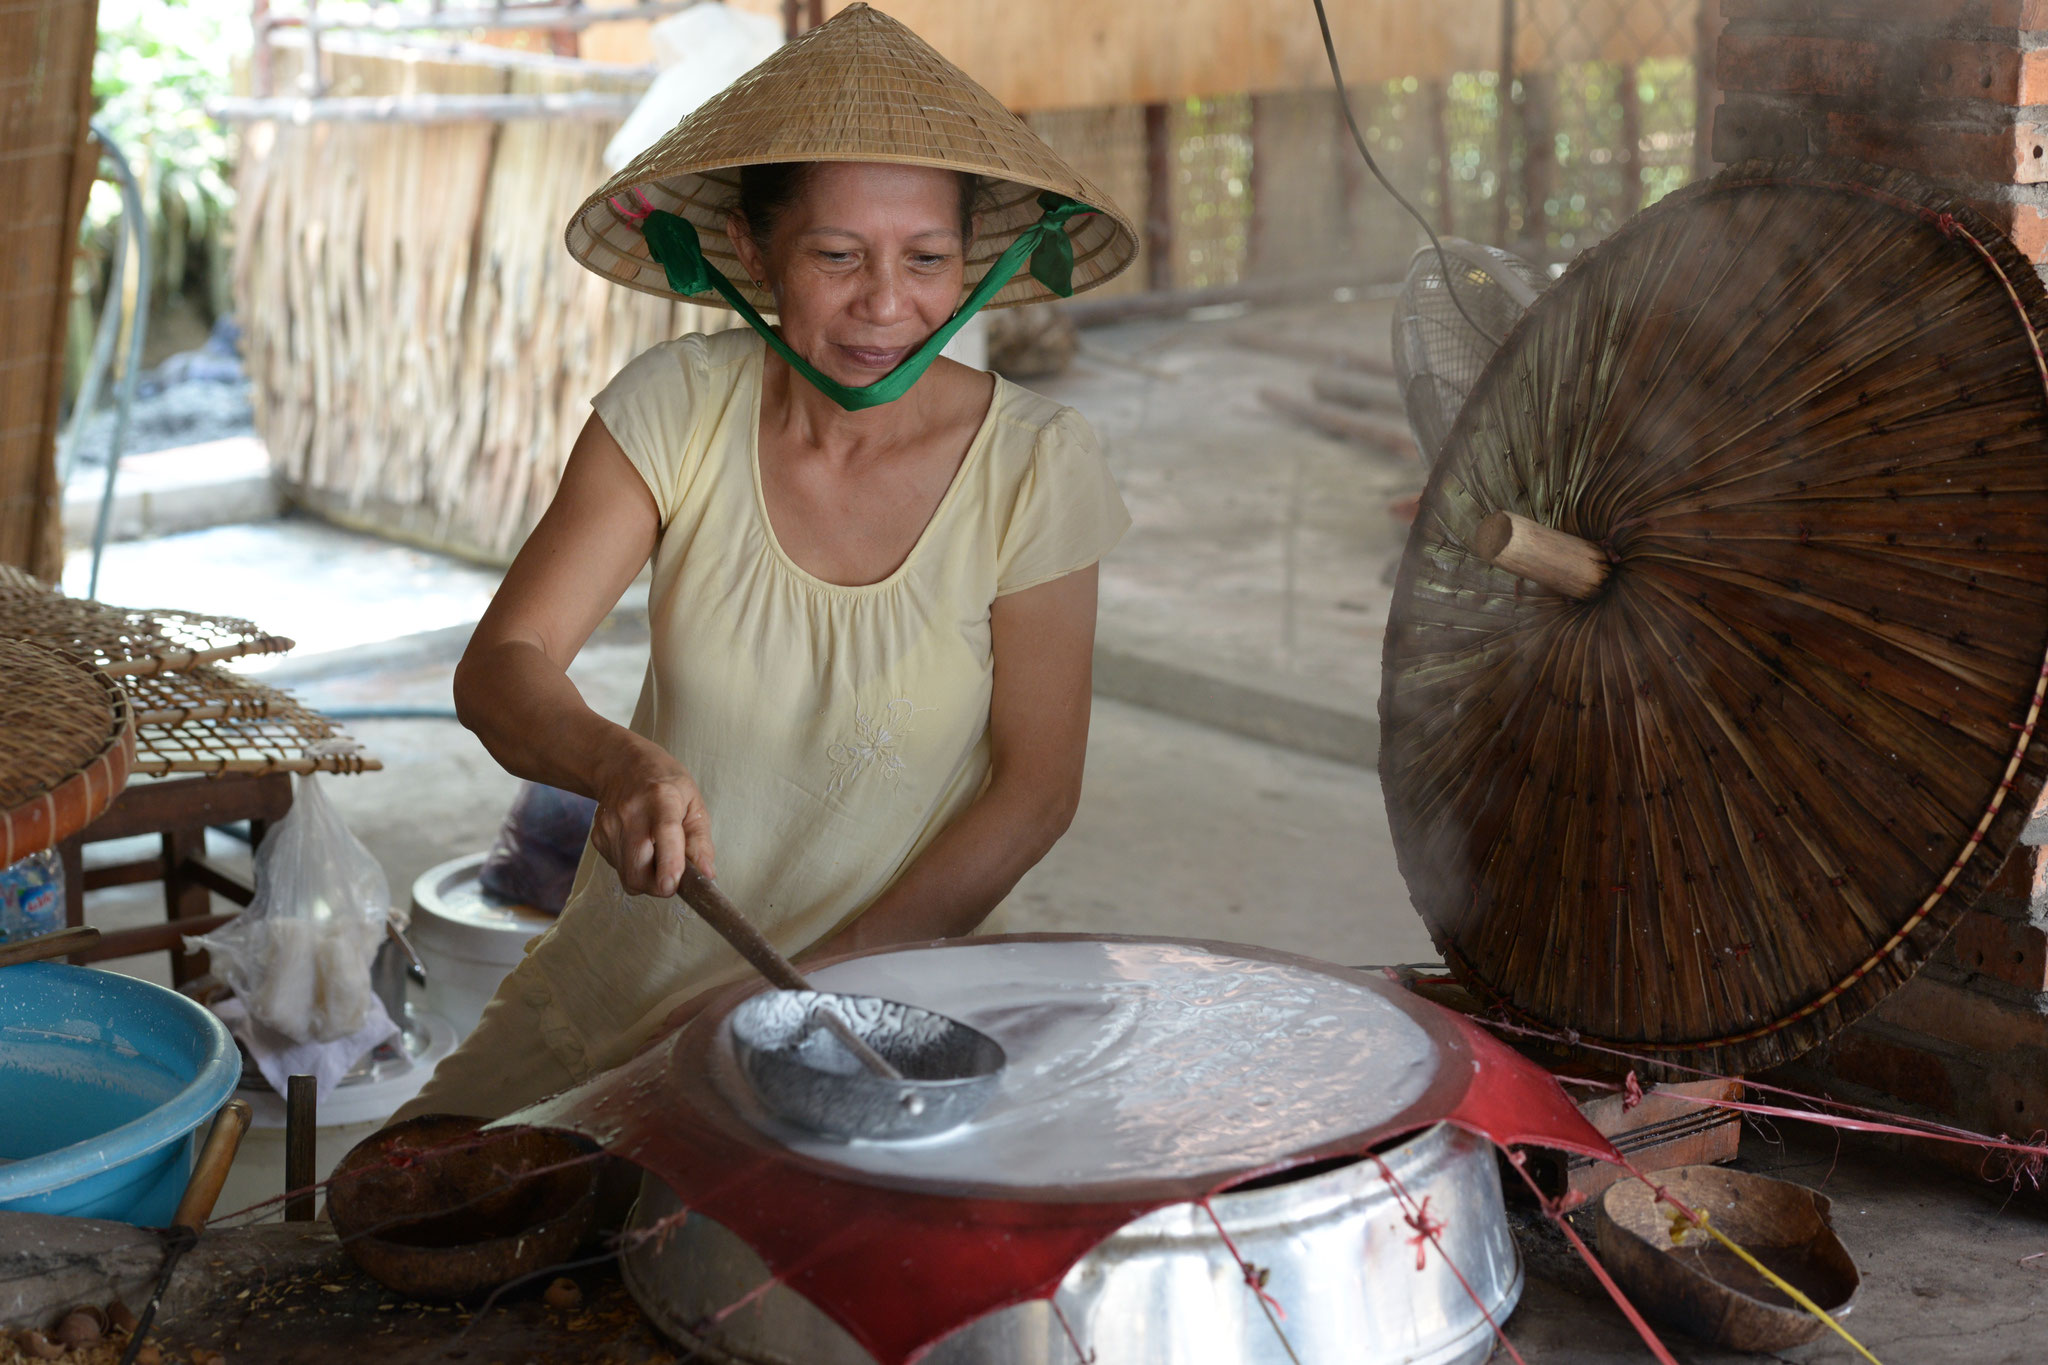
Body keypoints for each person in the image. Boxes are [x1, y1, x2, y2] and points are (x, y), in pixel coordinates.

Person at [392, 3, 1140, 1122]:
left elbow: (1032, 795)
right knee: (387, 1210)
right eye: (836, 256)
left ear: (974, 263)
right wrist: (618, 765)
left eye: (927, 259)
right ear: (751, 253)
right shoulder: (678, 409)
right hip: (608, 994)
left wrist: (790, 1001)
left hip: (840, 1032)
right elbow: (502, 664)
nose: (886, 306)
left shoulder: (1034, 466)